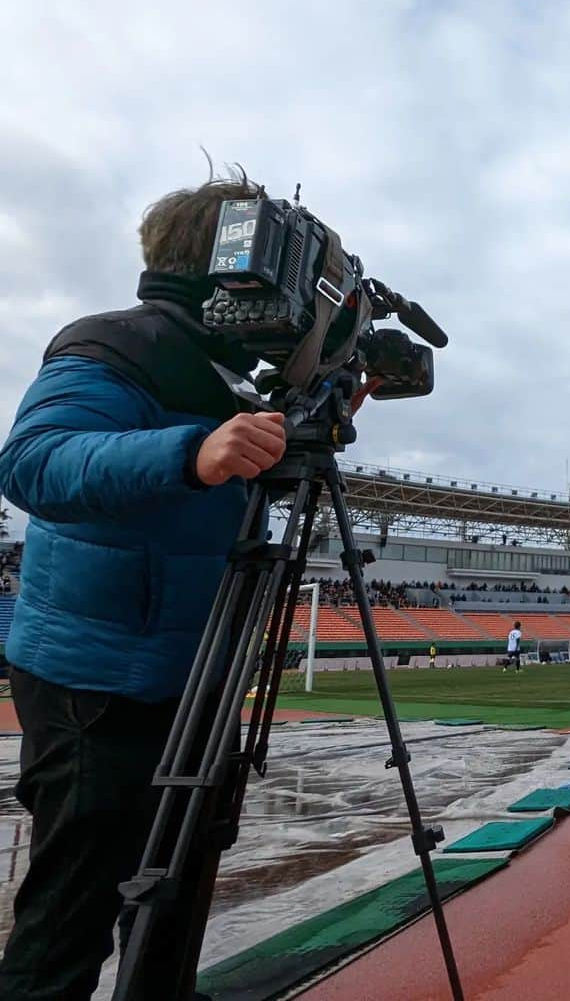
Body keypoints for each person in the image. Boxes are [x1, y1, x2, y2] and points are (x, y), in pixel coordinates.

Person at [0, 168, 288, 1000]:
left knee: (178, 893)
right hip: (95, 678)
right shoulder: (116, 343)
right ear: (230, 264)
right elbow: (32, 462)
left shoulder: (231, 371)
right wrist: (188, 454)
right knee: (72, 910)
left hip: (197, 678)